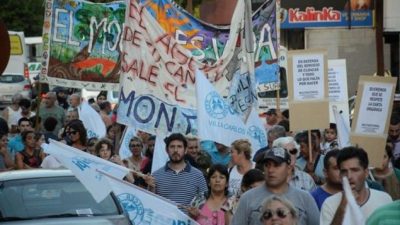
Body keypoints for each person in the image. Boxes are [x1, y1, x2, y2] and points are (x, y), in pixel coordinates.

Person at [231, 147, 320, 225]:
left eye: (276, 165)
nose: (271, 170)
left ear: (289, 169)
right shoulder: (248, 198)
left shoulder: (305, 198)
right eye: (267, 165)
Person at [320, 146, 392, 225]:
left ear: (366, 173)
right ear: (340, 175)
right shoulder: (329, 204)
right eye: (344, 171)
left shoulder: (384, 199)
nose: (349, 176)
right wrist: (343, 205)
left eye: (355, 170)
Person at [150, 133, 208, 212]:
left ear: (185, 150)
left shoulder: (198, 175)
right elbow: (151, 203)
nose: (176, 150)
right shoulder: (156, 175)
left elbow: (205, 203)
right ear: (166, 150)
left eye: (179, 147)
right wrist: (150, 187)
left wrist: (197, 211)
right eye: (172, 147)